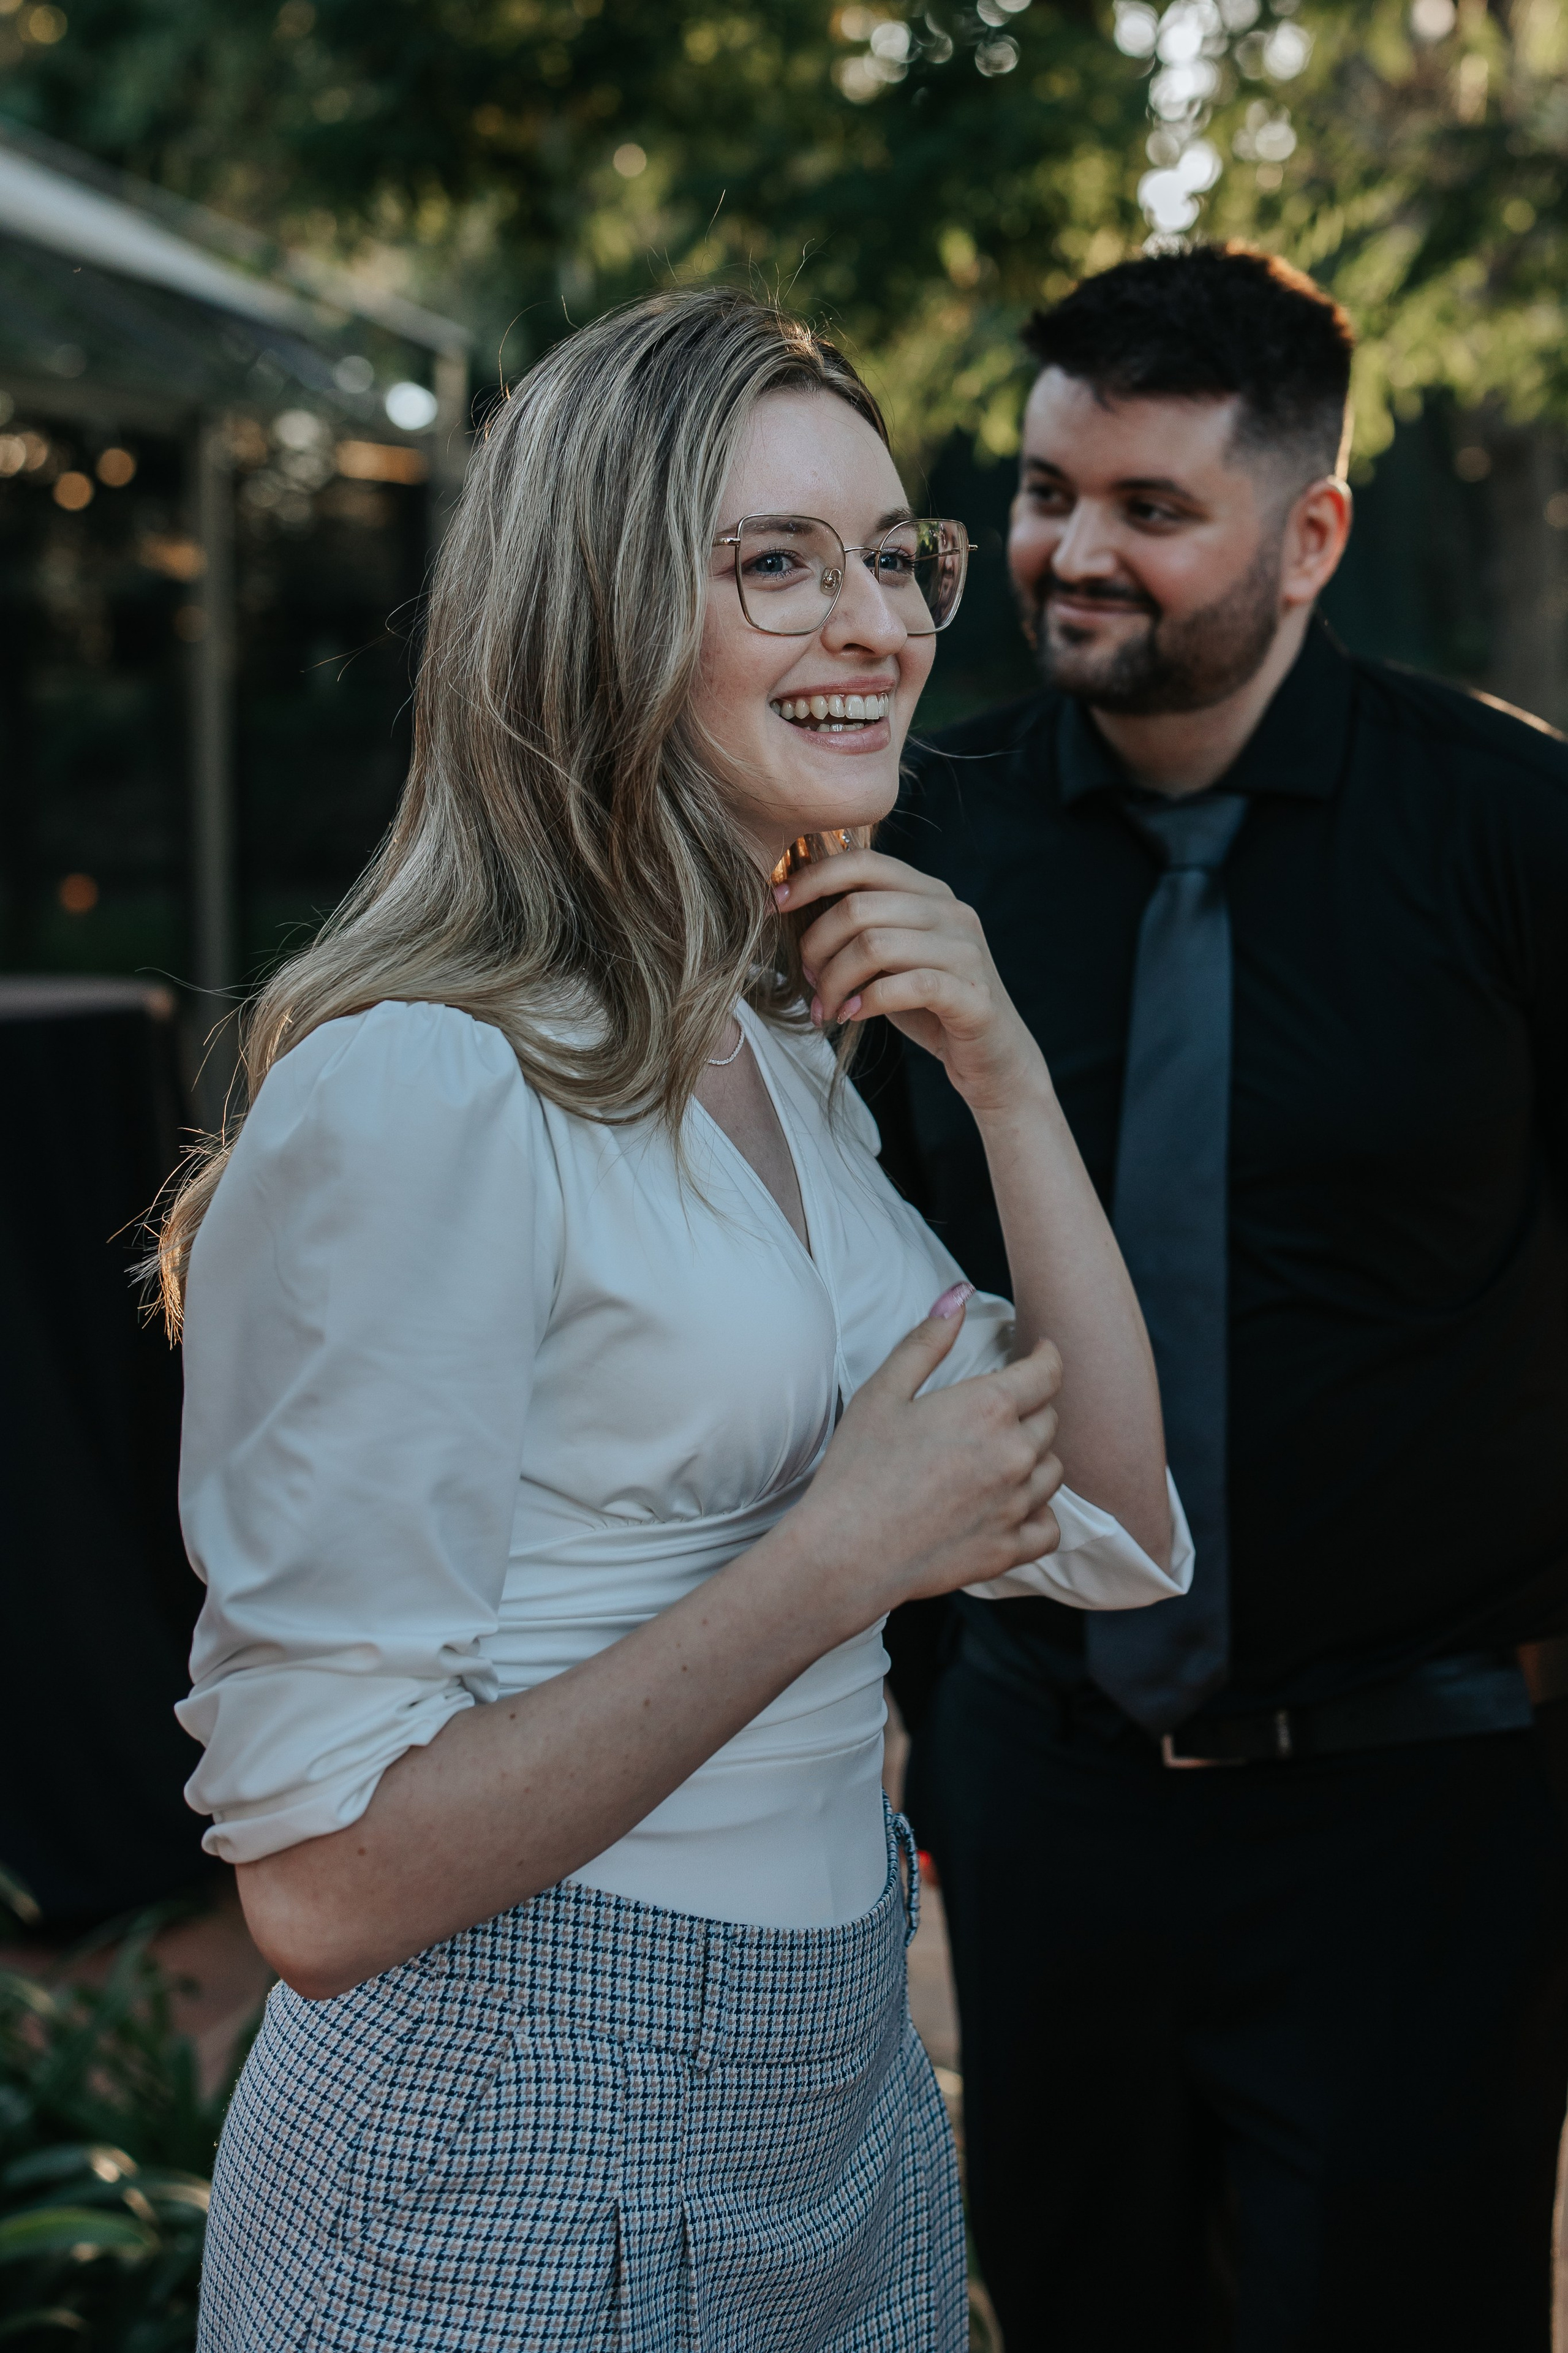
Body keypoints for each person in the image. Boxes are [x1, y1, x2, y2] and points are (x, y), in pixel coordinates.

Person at [157, 287, 1189, 2352]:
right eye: (778, 563)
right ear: (602, 618)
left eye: (897, 554)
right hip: (506, 2128)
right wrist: (838, 1561)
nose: (882, 620)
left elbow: (1105, 1509)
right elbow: (327, 1886)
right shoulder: (431, 1082)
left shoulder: (783, 1051)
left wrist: (1011, 1085)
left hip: (843, 2097)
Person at [881, 243, 1568, 2353]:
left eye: (1151, 511)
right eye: (1044, 489)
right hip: (1040, 1785)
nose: (1071, 554)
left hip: (1424, 1812)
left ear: (1314, 528)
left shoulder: (1515, 828)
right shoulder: (927, 836)